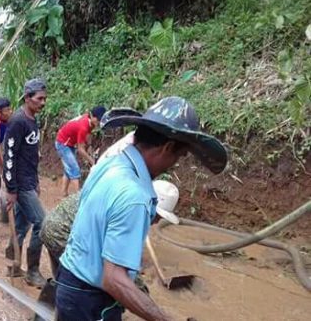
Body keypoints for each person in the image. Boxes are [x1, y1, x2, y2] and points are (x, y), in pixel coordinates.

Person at [56, 96, 228, 321]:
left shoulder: (110, 164)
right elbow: (113, 279)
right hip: (90, 301)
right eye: (179, 156)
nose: (174, 164)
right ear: (167, 147)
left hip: (69, 284)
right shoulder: (135, 196)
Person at [36, 180, 181, 321]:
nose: (156, 222)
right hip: (63, 232)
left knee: (65, 279)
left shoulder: (127, 191)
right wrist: (140, 294)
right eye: (158, 216)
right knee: (86, 283)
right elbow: (114, 263)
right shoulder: (131, 210)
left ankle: (43, 315)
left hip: (54, 224)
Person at [3, 79, 48, 287]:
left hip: (30, 181)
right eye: (39, 99)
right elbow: (9, 157)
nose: (43, 102)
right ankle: (32, 271)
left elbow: (31, 155)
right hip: (20, 185)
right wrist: (11, 189)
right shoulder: (17, 122)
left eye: (45, 99)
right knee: (42, 223)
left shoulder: (32, 119)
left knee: (21, 226)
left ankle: (12, 262)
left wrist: (36, 179)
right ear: (27, 98)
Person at [55, 105, 106, 197]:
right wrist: (92, 162)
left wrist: (90, 146)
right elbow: (80, 149)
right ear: (92, 116)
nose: (99, 122)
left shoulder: (90, 121)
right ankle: (79, 198)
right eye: (98, 120)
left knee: (69, 169)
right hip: (63, 144)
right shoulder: (83, 126)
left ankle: (64, 194)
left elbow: (89, 133)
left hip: (69, 143)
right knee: (75, 169)